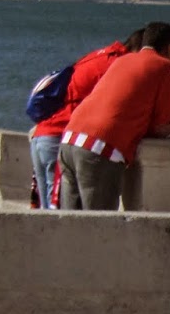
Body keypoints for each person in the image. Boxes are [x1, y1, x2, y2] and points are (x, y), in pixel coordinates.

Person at [58, 21, 170, 211]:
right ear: (169, 47)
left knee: (70, 221)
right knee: (99, 223)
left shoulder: (123, 60)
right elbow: (160, 125)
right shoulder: (166, 67)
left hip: (70, 139)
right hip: (99, 147)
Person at [29, 28, 144, 210]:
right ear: (140, 49)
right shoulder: (117, 65)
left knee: (47, 214)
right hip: (59, 136)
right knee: (57, 215)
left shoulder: (98, 56)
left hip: (42, 135)